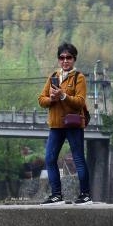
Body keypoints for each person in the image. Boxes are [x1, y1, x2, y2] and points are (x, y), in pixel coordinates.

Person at [37, 42, 91, 205]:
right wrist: (51, 98)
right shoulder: (53, 76)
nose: (65, 60)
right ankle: (56, 195)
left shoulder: (78, 77)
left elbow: (80, 102)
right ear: (58, 60)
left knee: (78, 159)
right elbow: (41, 100)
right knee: (50, 159)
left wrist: (63, 96)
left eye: (69, 57)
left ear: (74, 59)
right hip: (55, 125)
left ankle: (85, 195)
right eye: (62, 57)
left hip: (73, 125)